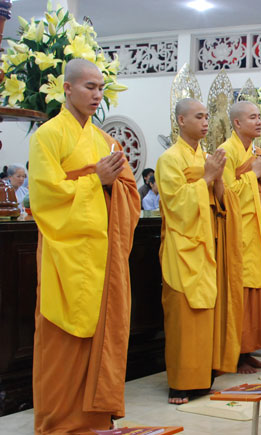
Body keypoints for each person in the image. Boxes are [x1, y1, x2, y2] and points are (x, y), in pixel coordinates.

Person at [29, 58, 140, 433]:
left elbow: (128, 192)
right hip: (64, 252)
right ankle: (58, 423)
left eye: (101, 88)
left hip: (102, 256)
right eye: (89, 87)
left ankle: (94, 419)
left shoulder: (104, 140)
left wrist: (111, 183)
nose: (97, 94)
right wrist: (96, 180)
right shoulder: (47, 135)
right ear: (67, 88)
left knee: (99, 336)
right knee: (61, 337)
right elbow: (45, 197)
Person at [157, 98, 241, 404]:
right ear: (181, 121)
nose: (206, 122)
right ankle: (180, 384)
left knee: (206, 314)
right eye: (199, 117)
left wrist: (217, 180)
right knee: (183, 315)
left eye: (207, 116)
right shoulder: (169, 159)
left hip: (207, 241)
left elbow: (221, 201)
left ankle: (203, 378)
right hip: (182, 246)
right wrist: (206, 177)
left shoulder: (206, 156)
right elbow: (176, 204)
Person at [219, 101, 261, 374]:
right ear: (237, 123)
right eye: (252, 118)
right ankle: (238, 354)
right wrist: (254, 174)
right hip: (241, 230)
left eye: (259, 117)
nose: (259, 122)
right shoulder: (225, 152)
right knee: (243, 289)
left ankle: (251, 349)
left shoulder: (257, 152)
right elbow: (224, 194)